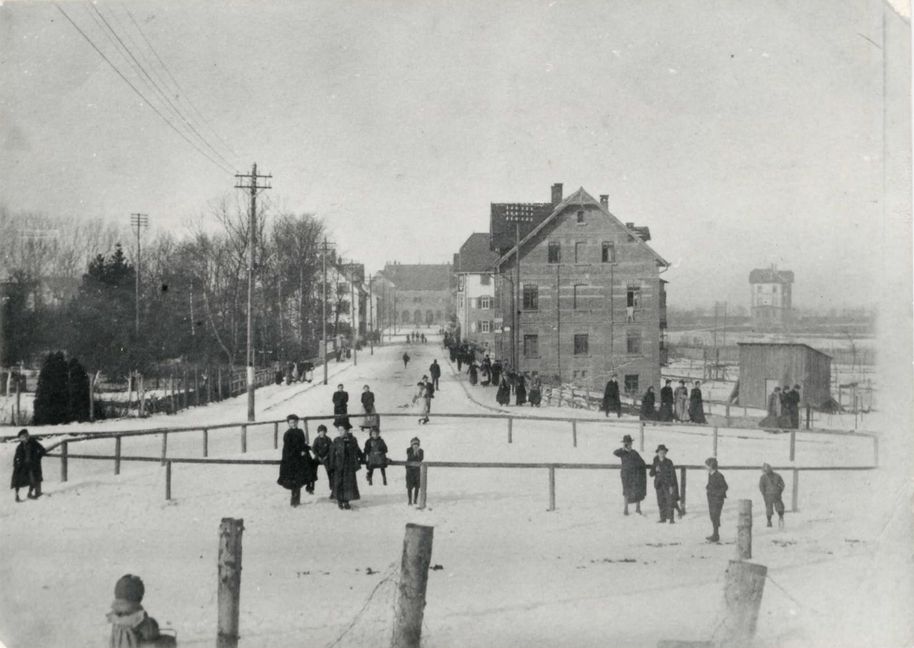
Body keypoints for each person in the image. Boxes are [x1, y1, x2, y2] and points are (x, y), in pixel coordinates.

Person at [106, 574, 172, 648]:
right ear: (139, 597)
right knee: (167, 641)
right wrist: (152, 622)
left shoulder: (116, 617)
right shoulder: (138, 617)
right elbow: (151, 634)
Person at [277, 414, 315, 506]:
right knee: (293, 480)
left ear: (297, 422)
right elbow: (289, 448)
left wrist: (309, 448)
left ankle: (298, 500)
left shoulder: (300, 432)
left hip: (300, 460)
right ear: (288, 424)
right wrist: (299, 453)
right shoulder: (287, 434)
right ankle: (294, 502)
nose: (293, 424)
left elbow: (302, 444)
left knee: (300, 479)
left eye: (294, 422)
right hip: (291, 460)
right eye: (291, 422)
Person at [329, 427, 364, 510]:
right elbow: (332, 453)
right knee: (339, 483)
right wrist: (332, 465)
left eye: (342, 430)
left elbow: (357, 450)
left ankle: (346, 501)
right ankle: (340, 501)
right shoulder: (336, 440)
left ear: (347, 431)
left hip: (349, 466)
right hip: (338, 465)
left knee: (348, 484)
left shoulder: (352, 440)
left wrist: (362, 457)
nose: (340, 432)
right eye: (339, 430)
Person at [613, 434, 647, 515]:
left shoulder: (634, 452)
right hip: (626, 475)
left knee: (637, 490)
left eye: (629, 443)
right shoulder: (622, 452)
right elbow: (615, 453)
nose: (628, 444)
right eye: (626, 443)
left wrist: (638, 468)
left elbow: (642, 462)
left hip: (635, 475)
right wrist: (623, 448)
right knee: (626, 491)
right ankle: (626, 509)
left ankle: (638, 508)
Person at [10, 429, 45, 502]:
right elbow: (16, 456)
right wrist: (16, 464)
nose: (25, 438)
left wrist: (37, 457)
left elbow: (42, 450)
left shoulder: (34, 443)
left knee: (33, 479)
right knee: (17, 481)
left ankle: (30, 493)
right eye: (23, 437)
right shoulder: (19, 446)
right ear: (20, 438)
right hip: (22, 466)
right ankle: (17, 496)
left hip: (32, 465)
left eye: (26, 436)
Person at [649, 444, 679, 524]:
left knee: (670, 501)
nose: (662, 454)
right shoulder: (655, 462)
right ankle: (663, 518)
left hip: (667, 484)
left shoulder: (669, 462)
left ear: (665, 453)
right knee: (660, 501)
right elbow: (651, 474)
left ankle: (672, 519)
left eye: (663, 452)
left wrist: (672, 486)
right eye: (660, 452)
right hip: (658, 485)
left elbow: (673, 474)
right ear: (657, 453)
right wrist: (655, 469)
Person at [705, 457, 728, 543]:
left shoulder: (719, 475)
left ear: (711, 466)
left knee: (715, 516)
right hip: (711, 499)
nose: (706, 467)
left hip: (717, 500)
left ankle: (716, 535)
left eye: (707, 465)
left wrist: (717, 494)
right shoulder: (710, 474)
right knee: (712, 516)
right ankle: (715, 534)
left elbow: (725, 487)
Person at [759, 463, 786, 528]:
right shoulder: (764, 477)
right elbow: (761, 487)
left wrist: (779, 491)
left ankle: (774, 520)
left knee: (775, 508)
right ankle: (773, 520)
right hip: (772, 495)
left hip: (772, 495)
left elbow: (761, 487)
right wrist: (779, 491)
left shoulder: (775, 476)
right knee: (772, 508)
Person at [311, 424, 332, 492]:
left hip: (326, 458)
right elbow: (313, 449)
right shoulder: (316, 439)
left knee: (330, 470)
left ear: (325, 432)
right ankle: (311, 487)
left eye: (323, 431)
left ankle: (332, 486)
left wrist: (326, 456)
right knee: (312, 469)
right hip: (318, 458)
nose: (322, 433)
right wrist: (318, 456)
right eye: (320, 431)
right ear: (318, 432)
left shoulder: (328, 439)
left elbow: (331, 449)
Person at [406, 437, 424, 505]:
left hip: (417, 471)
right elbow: (410, 457)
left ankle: (415, 500)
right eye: (414, 444)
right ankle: (409, 500)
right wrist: (414, 453)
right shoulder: (408, 450)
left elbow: (421, 459)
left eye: (417, 444)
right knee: (409, 486)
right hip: (409, 470)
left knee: (417, 486)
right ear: (411, 445)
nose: (415, 445)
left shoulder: (421, 451)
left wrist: (417, 453)